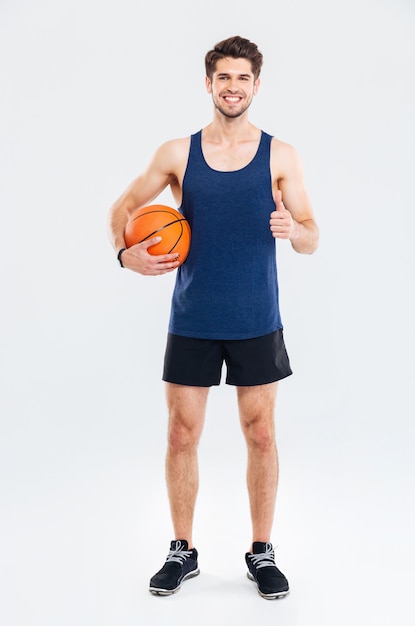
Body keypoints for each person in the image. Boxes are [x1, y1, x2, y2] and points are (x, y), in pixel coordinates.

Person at [108, 35, 319, 600]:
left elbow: (312, 237)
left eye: (243, 78)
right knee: (181, 434)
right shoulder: (179, 153)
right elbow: (123, 208)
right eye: (223, 77)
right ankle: (183, 550)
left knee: (262, 434)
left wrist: (292, 231)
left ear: (256, 85)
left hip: (256, 316)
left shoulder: (281, 156)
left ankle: (262, 551)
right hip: (193, 316)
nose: (232, 87)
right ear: (208, 83)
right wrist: (124, 255)